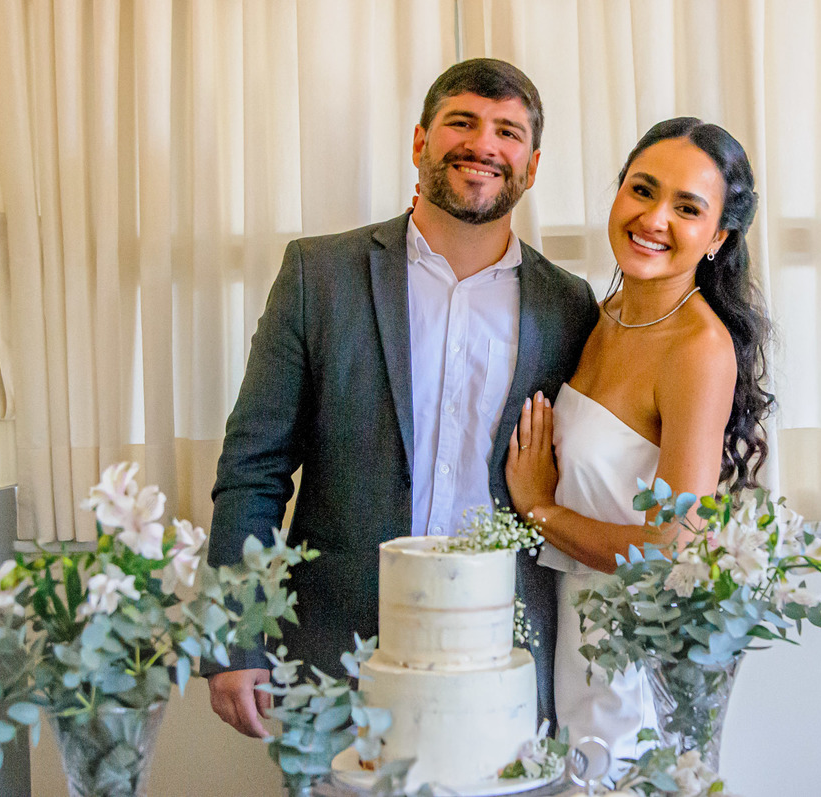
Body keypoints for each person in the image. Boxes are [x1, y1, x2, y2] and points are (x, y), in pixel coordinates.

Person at [205, 58, 599, 739]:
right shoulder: (318, 275)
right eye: (462, 122)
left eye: (507, 131)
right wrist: (236, 636)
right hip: (337, 652)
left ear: (532, 165)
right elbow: (254, 468)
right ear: (420, 143)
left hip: (504, 654)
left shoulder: (570, 305)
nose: (483, 144)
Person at [506, 117, 774, 767]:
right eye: (642, 190)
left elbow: (673, 546)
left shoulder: (698, 347)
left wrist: (540, 509)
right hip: (570, 630)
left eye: (687, 208)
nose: (654, 218)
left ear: (718, 237)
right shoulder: (607, 314)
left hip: (628, 660)